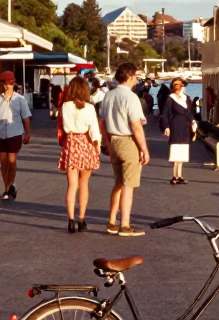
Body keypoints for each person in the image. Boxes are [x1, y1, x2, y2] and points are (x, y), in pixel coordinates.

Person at [99, 62, 150, 237]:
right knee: (129, 184)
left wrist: (107, 142)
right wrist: (144, 149)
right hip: (128, 141)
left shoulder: (108, 96)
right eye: (135, 76)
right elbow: (136, 125)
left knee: (119, 182)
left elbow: (102, 122)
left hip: (113, 140)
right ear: (129, 76)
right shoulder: (131, 97)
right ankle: (125, 224)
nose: (136, 79)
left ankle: (112, 221)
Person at [58, 74, 101, 232]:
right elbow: (94, 129)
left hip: (71, 143)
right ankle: (81, 218)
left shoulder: (65, 107)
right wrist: (97, 144)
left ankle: (70, 220)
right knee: (84, 184)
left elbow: (63, 126)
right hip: (85, 142)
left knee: (72, 185)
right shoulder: (89, 108)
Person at [0, 70, 31, 200]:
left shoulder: (20, 100)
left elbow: (26, 117)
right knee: (3, 162)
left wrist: (28, 133)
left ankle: (8, 188)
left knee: (12, 161)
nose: (7, 85)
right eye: (4, 82)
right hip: (1, 133)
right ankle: (8, 186)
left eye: (9, 82)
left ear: (13, 83)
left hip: (15, 133)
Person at [161, 76, 197, 184]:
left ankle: (180, 175)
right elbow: (165, 114)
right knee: (176, 150)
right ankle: (174, 176)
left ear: (182, 86)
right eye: (175, 85)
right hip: (175, 125)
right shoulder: (170, 98)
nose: (178, 87)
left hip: (185, 126)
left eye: (179, 85)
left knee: (183, 150)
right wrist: (166, 127)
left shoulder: (187, 98)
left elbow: (189, 113)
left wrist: (193, 122)